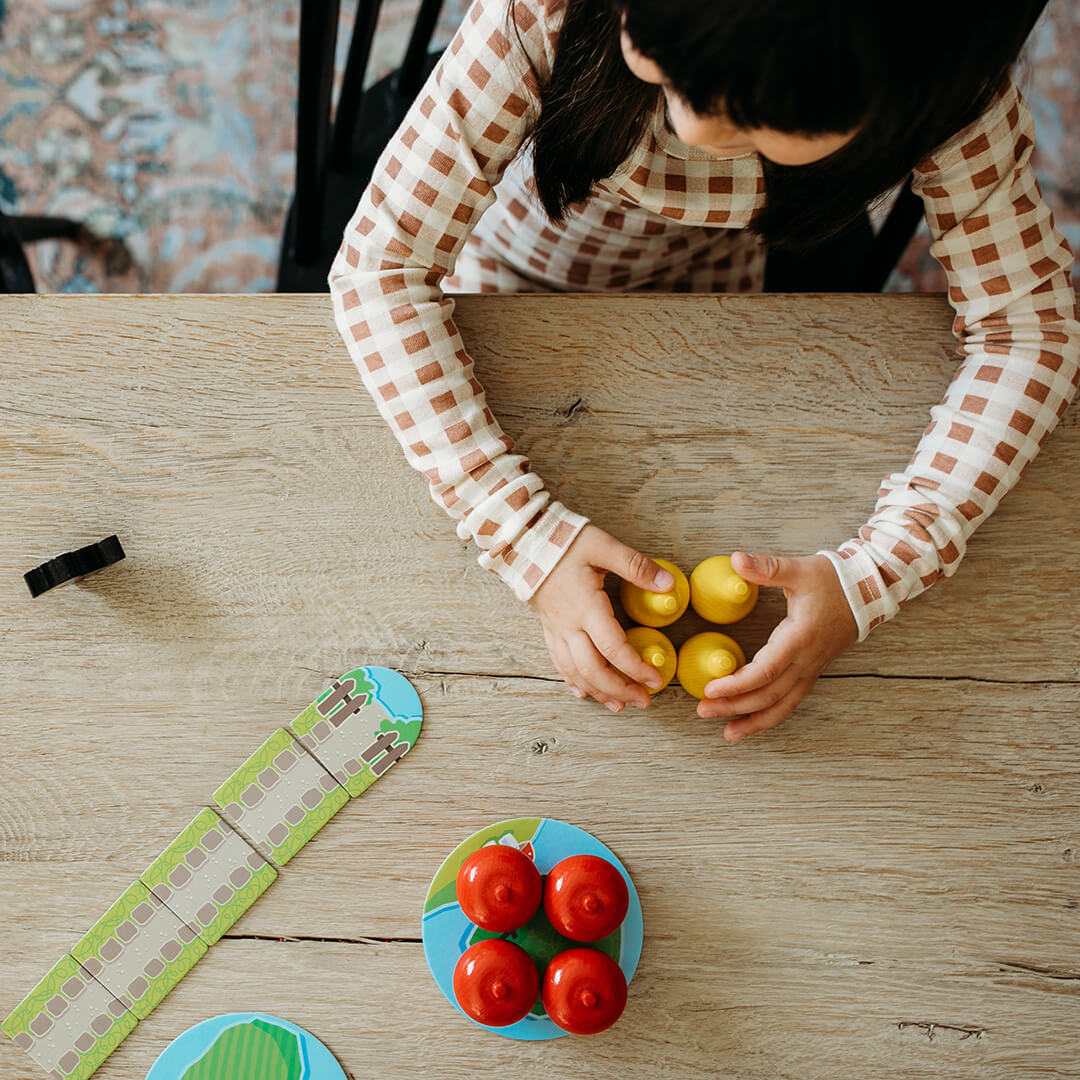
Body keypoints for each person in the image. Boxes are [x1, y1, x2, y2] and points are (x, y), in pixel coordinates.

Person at [328, 0, 1078, 742]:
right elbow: (378, 268)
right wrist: (521, 530)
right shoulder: (543, 14)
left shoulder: (946, 83)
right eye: (666, 66)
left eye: (757, 119)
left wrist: (878, 573)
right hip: (508, 272)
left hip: (722, 293)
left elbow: (1035, 330)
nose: (691, 129)